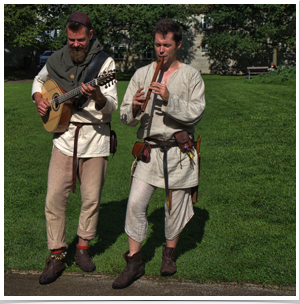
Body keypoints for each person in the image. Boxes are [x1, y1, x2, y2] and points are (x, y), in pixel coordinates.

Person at [112, 19, 205, 289]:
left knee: (174, 209)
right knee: (135, 205)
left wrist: (168, 98)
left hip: (179, 153)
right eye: (157, 44)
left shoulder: (190, 76)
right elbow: (126, 118)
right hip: (150, 152)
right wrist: (135, 107)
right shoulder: (142, 74)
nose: (161, 49)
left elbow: (196, 111)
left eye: (166, 45)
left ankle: (168, 255)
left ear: (177, 45)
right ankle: (134, 262)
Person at [31, 12, 118, 285]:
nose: (76, 44)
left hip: (95, 137)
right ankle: (56, 254)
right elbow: (38, 81)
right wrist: (39, 100)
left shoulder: (106, 63)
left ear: (90, 35)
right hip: (64, 136)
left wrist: (98, 95)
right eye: (71, 39)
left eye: (81, 39)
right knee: (54, 197)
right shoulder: (57, 59)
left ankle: (82, 248)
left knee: (91, 199)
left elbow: (112, 105)